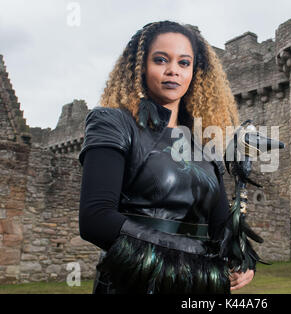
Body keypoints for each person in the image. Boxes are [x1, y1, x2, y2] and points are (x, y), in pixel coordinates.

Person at [78, 21, 258, 294]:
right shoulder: (114, 122)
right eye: (161, 60)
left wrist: (244, 256)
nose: (173, 70)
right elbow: (96, 219)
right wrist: (191, 261)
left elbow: (221, 225)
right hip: (134, 284)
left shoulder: (202, 141)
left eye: (184, 63)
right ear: (140, 67)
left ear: (195, 73)